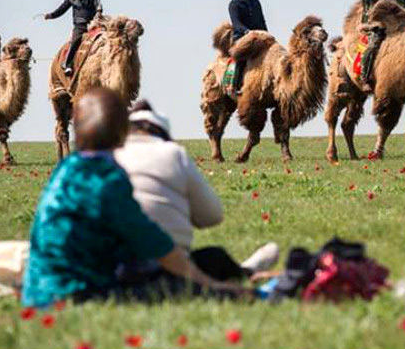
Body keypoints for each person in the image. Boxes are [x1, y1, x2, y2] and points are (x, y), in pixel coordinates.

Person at [21, 88, 248, 307]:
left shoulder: (65, 169)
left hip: (36, 291)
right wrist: (210, 286)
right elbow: (153, 242)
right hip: (80, 292)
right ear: (122, 133)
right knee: (182, 285)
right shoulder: (108, 181)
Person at [113, 99, 278, 282]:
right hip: (172, 268)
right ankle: (245, 272)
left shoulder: (110, 157)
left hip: (117, 268)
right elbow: (212, 215)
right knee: (214, 258)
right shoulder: (174, 154)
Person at [43, 0, 103, 76]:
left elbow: (99, 5)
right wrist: (51, 15)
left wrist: (99, 12)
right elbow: (62, 9)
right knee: (75, 41)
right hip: (80, 26)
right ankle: (67, 64)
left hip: (94, 24)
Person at [227, 0, 267, 95]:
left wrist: (266, 33)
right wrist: (247, 32)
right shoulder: (234, 4)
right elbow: (236, 23)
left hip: (257, 35)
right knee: (241, 57)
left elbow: (261, 20)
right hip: (241, 36)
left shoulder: (256, 2)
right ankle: (236, 85)